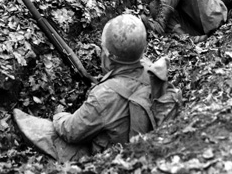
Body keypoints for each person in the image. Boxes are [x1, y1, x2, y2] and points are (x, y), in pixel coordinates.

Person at [13, 14, 181, 161]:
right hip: (146, 140)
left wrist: (59, 115)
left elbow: (71, 131)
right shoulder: (149, 68)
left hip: (115, 158)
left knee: (47, 132)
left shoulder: (103, 96)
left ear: (107, 55)